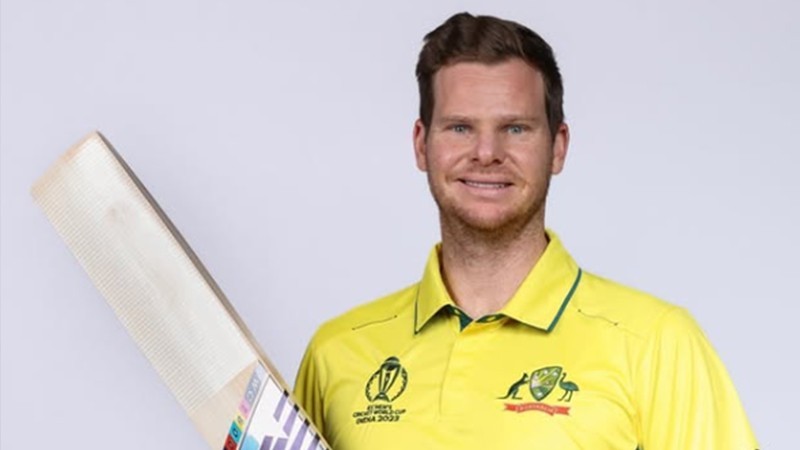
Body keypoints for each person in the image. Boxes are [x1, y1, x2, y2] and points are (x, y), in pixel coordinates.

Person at [294, 12, 758, 450]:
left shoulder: (656, 344)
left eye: (516, 129)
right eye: (459, 128)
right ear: (421, 144)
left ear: (557, 147)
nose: (486, 153)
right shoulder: (336, 352)